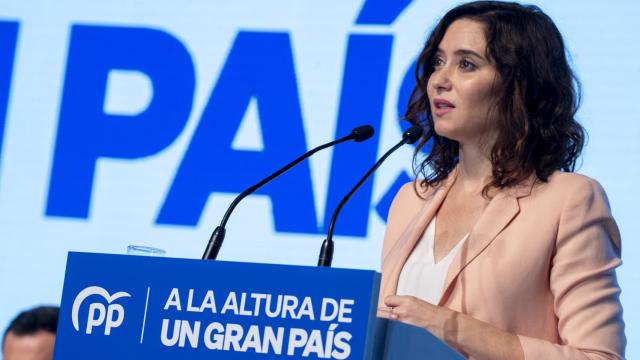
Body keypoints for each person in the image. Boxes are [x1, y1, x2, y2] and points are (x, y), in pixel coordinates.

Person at [377, 1, 625, 359]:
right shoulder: (410, 200)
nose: (439, 81)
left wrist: (450, 327)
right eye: (438, 62)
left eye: (466, 64)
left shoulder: (569, 201)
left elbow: (599, 356)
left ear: (518, 86)